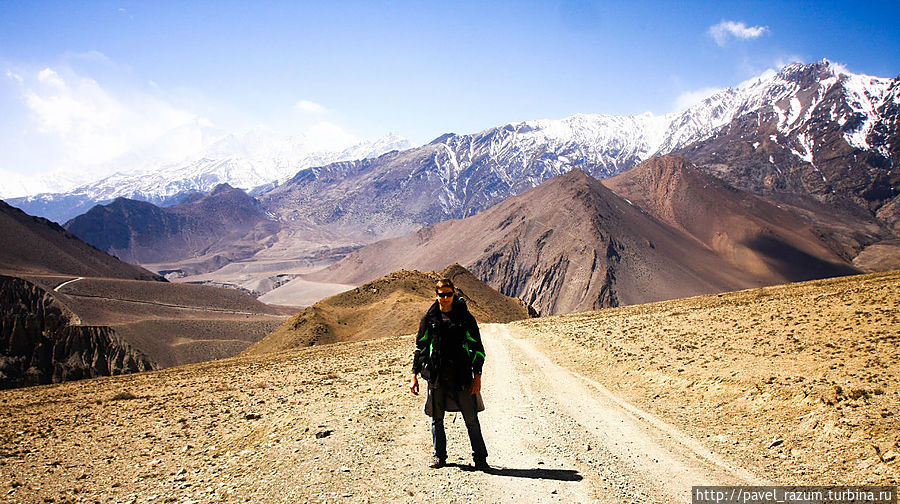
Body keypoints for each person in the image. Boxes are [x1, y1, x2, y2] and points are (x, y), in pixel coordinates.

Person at [409, 278, 489, 471]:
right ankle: (440, 456)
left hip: (462, 376)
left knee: (471, 419)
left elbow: (477, 348)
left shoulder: (465, 318)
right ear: (436, 295)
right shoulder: (429, 319)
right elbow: (420, 347)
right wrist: (414, 374)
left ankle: (480, 459)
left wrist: (477, 375)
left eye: (449, 294)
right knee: (437, 419)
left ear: (454, 294)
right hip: (436, 376)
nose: (445, 298)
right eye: (441, 294)